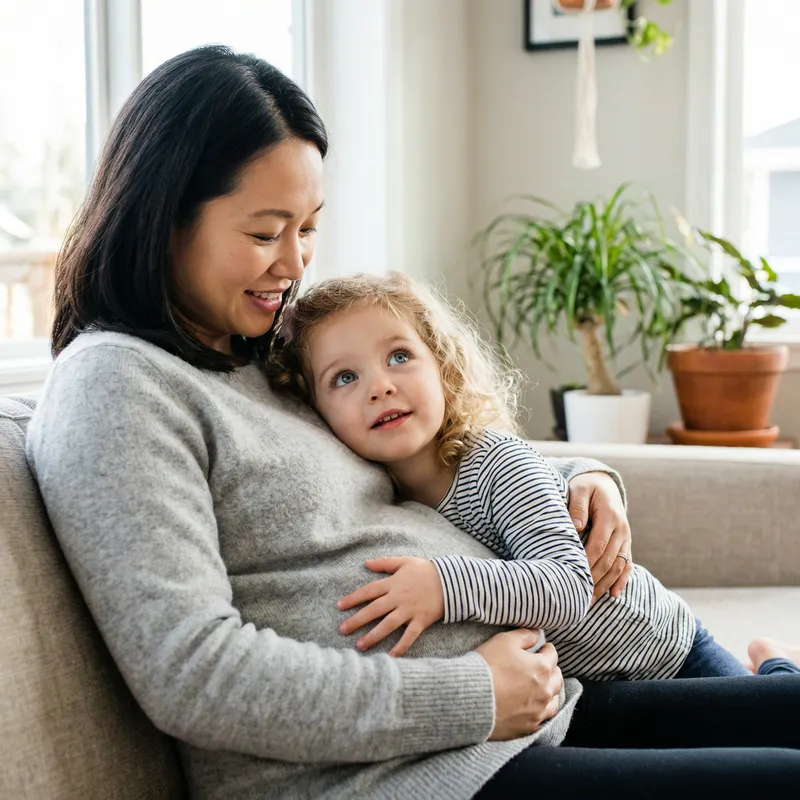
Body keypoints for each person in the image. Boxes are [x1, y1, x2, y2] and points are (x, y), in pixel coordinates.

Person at [25, 46, 800, 800]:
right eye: (264, 233)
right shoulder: (116, 386)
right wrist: (474, 695)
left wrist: (580, 480)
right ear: (164, 220)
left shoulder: (259, 352)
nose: (294, 266)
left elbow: (419, 455)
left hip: (537, 712)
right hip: (411, 771)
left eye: (308, 228)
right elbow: (195, 677)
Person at [271, 270, 800, 681]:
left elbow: (568, 587)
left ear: (442, 368)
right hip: (591, 685)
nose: (380, 386)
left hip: (664, 650)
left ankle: (775, 660)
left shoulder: (496, 462)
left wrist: (441, 585)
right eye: (345, 377)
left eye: (399, 356)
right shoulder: (378, 498)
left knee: (775, 728)